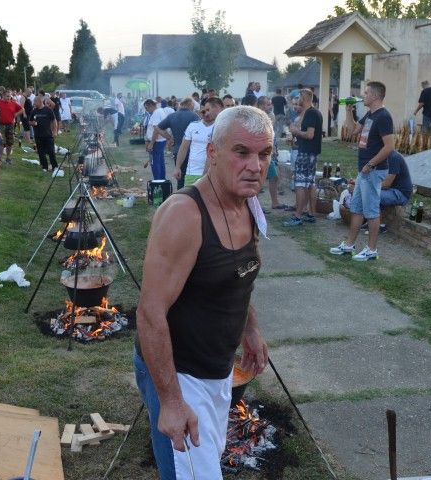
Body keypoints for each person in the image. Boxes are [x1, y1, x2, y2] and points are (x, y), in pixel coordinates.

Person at [135, 105, 270, 480]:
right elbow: (149, 313)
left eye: (264, 154)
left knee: (207, 463)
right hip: (181, 373)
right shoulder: (184, 215)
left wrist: (250, 329)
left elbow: (237, 276)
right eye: (241, 152)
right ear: (212, 152)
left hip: (218, 370)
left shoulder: (247, 202)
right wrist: (171, 401)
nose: (255, 166)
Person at [331, 81, 394, 261]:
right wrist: (348, 111)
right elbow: (352, 131)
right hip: (364, 171)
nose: (363, 96)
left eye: (366, 93)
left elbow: (389, 147)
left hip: (373, 170)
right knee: (357, 209)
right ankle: (349, 245)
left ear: (375, 96)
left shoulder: (383, 117)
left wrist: (371, 164)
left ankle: (372, 250)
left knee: (372, 211)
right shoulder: (369, 114)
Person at [284, 89, 323, 226]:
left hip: (306, 153)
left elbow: (310, 135)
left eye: (298, 97)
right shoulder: (311, 112)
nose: (297, 99)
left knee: (300, 184)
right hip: (310, 153)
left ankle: (298, 216)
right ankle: (311, 214)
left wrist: (296, 131)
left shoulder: (311, 113)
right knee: (309, 183)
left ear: (304, 98)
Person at [174, 97, 224, 187]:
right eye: (204, 110)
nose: (205, 113)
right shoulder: (193, 126)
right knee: (189, 195)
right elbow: (183, 147)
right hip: (191, 173)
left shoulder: (219, 128)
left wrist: (205, 174)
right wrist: (177, 167)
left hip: (210, 174)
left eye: (208, 110)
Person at [362, 150, 413, 234]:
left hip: (401, 194)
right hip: (390, 190)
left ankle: (380, 226)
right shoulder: (381, 157)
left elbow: (386, 184)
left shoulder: (393, 158)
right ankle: (370, 222)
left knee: (371, 194)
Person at [156, 97, 199, 190]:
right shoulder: (194, 116)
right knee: (193, 178)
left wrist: (169, 138)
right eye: (193, 105)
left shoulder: (172, 116)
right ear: (189, 104)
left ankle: (180, 195)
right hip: (192, 152)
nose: (193, 107)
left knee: (180, 178)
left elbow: (158, 128)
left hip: (177, 151)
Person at [29, 94, 58, 173]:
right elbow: (30, 121)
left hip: (48, 134)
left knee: (51, 151)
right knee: (41, 152)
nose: (34, 103)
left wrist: (55, 131)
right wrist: (33, 123)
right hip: (38, 135)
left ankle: (54, 166)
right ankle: (44, 167)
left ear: (40, 101)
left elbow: (54, 120)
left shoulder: (48, 110)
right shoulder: (34, 111)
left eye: (35, 102)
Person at [0, 90, 24, 165]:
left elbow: (22, 109)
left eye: (10, 96)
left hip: (10, 125)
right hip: (0, 125)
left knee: (10, 142)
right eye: (7, 96)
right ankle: (0, 158)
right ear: (3, 96)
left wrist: (15, 114)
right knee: (1, 142)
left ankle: (8, 158)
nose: (9, 98)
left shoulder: (13, 103)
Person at [143, 99, 169, 180]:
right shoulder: (160, 111)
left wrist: (151, 143)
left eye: (146, 108)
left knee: (155, 162)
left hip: (156, 142)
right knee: (160, 162)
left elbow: (156, 130)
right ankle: (162, 180)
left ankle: (157, 181)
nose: (146, 110)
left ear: (151, 105)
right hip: (160, 141)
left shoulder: (156, 113)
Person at [413, 80, 431, 145]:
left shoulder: (424, 91)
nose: (422, 87)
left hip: (427, 113)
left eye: (422, 86)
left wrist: (416, 111)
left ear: (424, 85)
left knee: (425, 129)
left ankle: (425, 144)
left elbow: (421, 103)